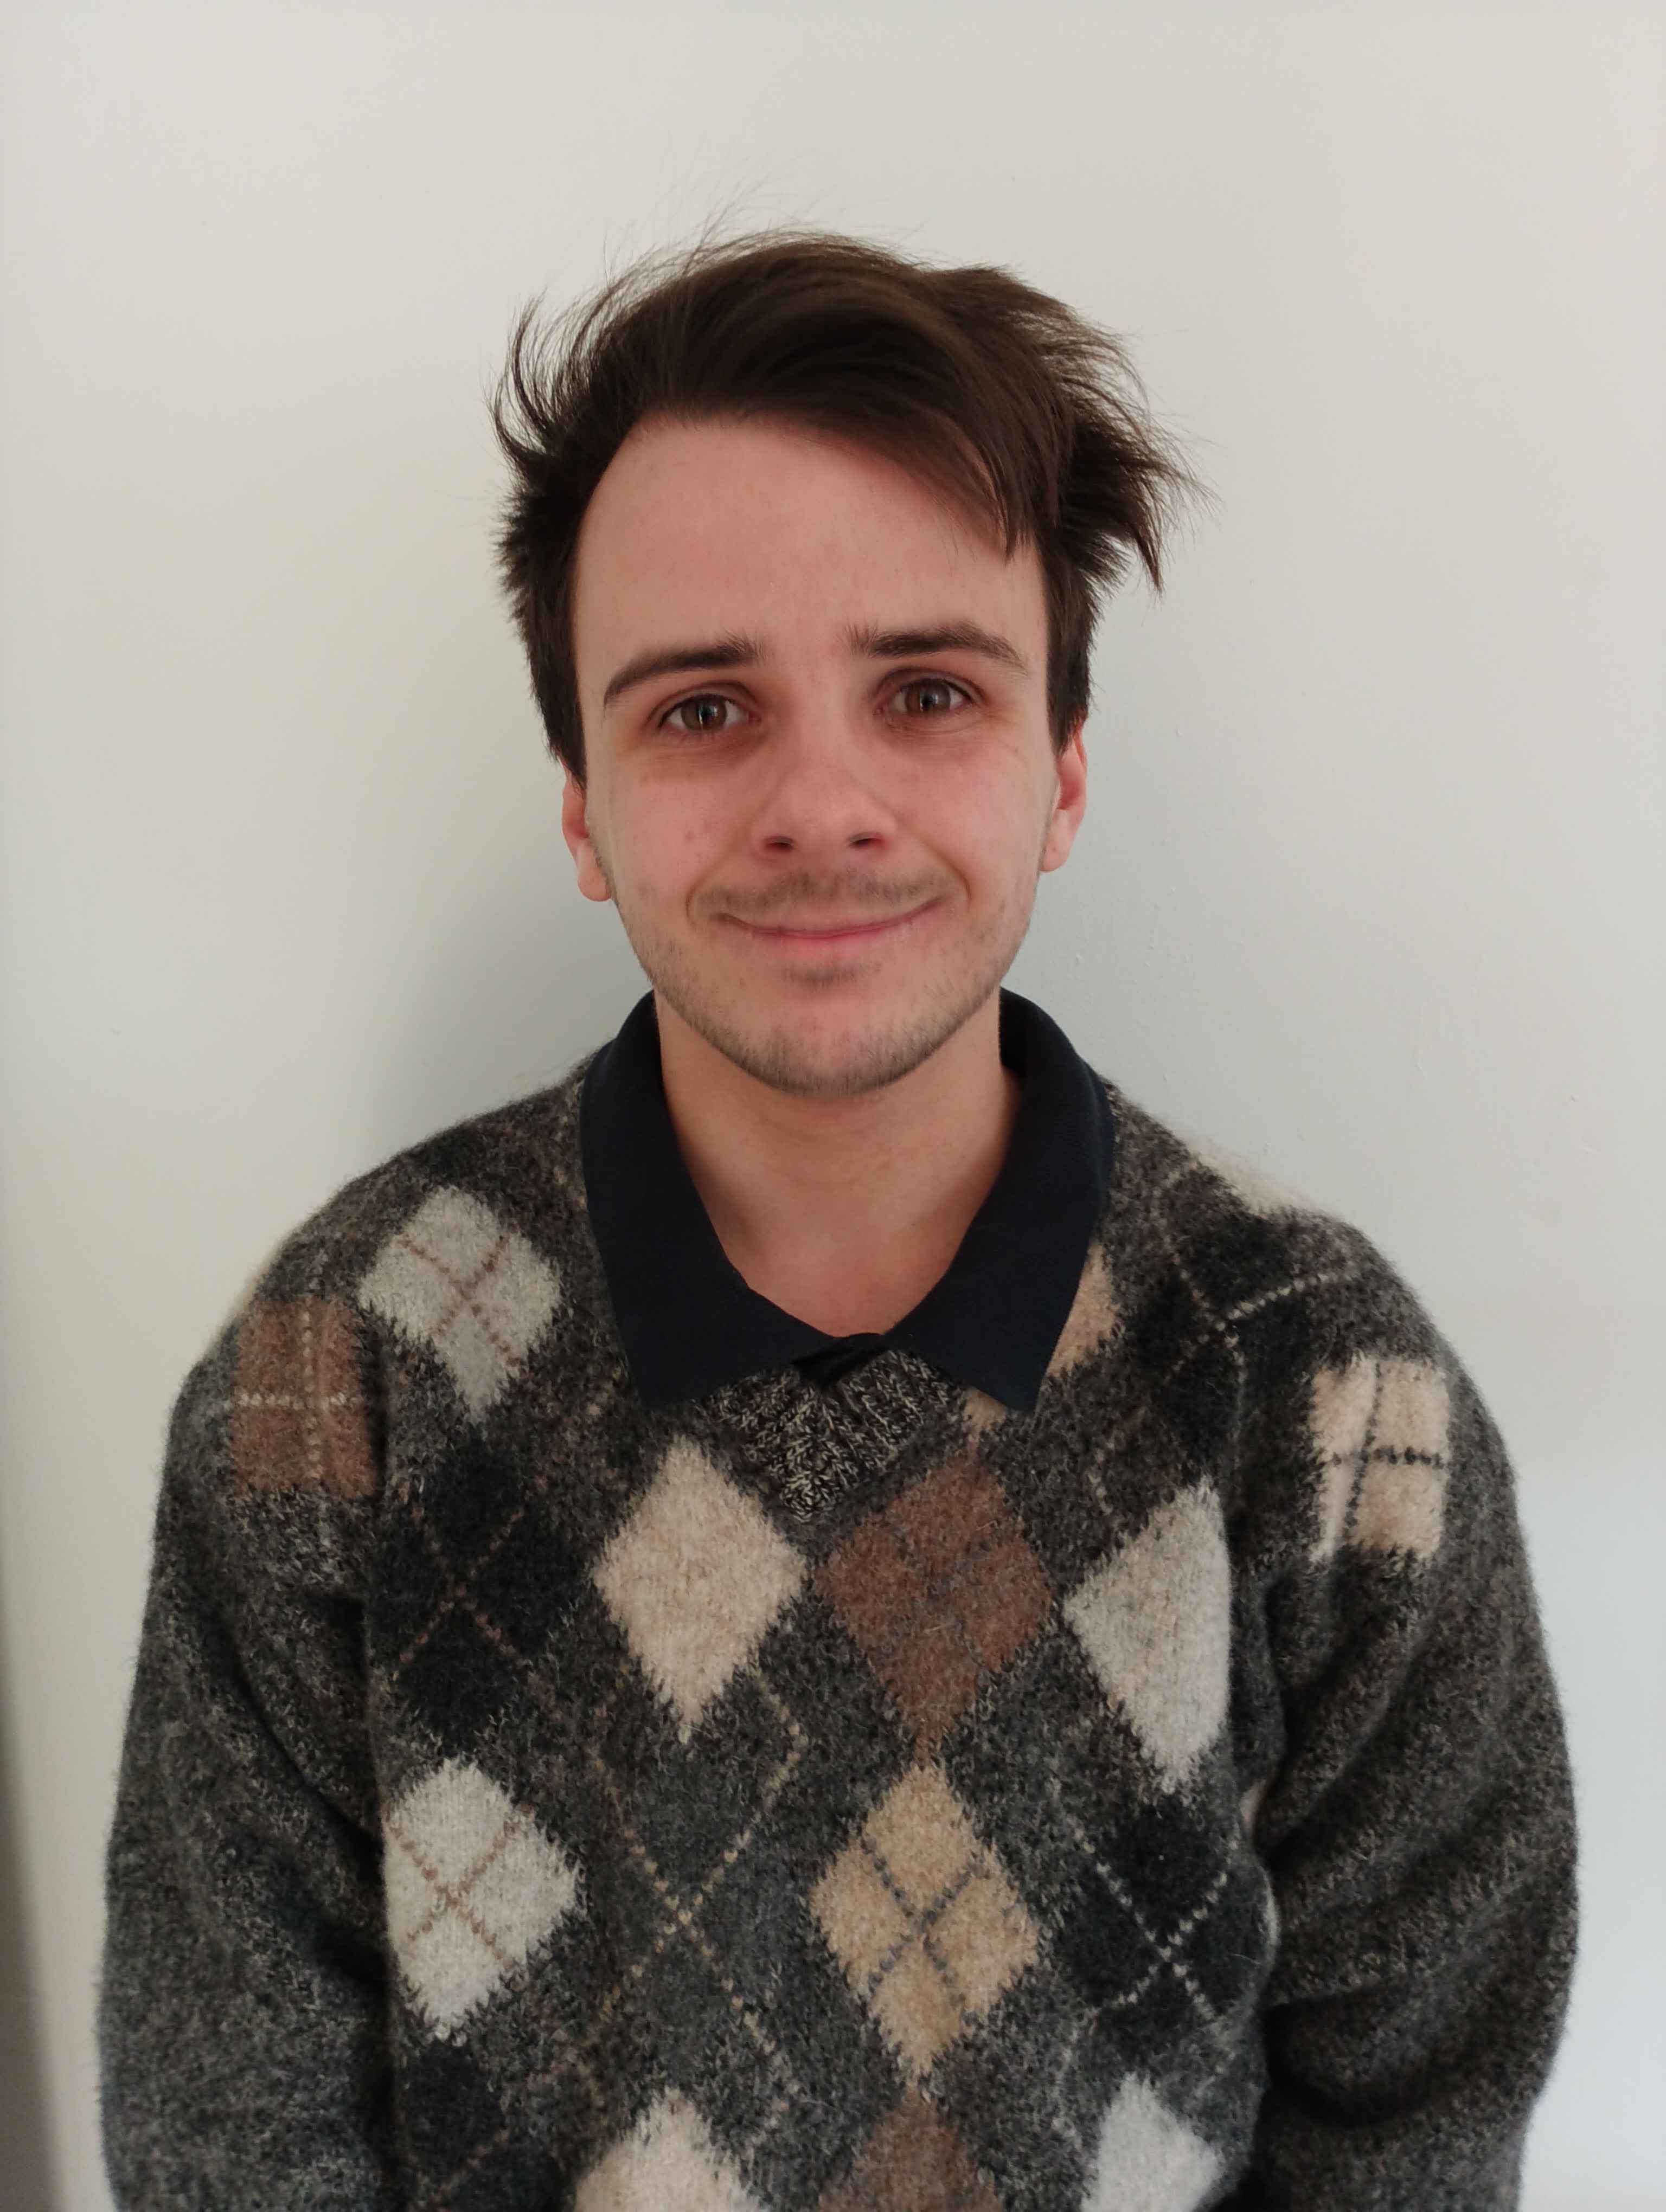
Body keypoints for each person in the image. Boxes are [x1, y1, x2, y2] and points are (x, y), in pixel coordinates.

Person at [98, 223, 1577, 2210]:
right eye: (703, 710)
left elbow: (1418, 2134)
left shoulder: (1330, 1394)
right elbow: (233, 2139)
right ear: (582, 806)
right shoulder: (335, 1374)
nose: (823, 802)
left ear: (1063, 775)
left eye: (931, 691)